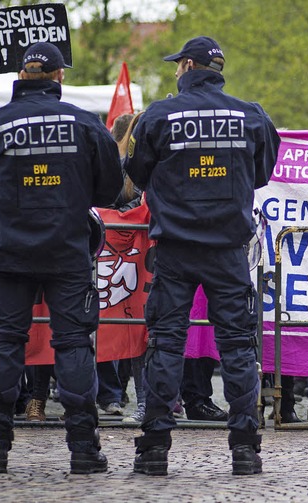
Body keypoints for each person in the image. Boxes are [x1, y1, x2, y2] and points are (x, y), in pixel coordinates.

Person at [124, 36, 280, 476]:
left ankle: (154, 446)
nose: (176, 71)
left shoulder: (158, 114)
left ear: (189, 65)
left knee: (166, 343)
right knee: (237, 347)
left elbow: (135, 172)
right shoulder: (251, 114)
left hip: (174, 250)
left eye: (178, 65)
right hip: (228, 250)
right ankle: (245, 448)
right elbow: (263, 171)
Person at [0, 42, 123, 474]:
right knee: (72, 345)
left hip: (10, 252)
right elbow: (109, 191)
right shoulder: (85, 124)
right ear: (59, 77)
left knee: (4, 342)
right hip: (68, 252)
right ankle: (83, 450)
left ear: (21, 75)